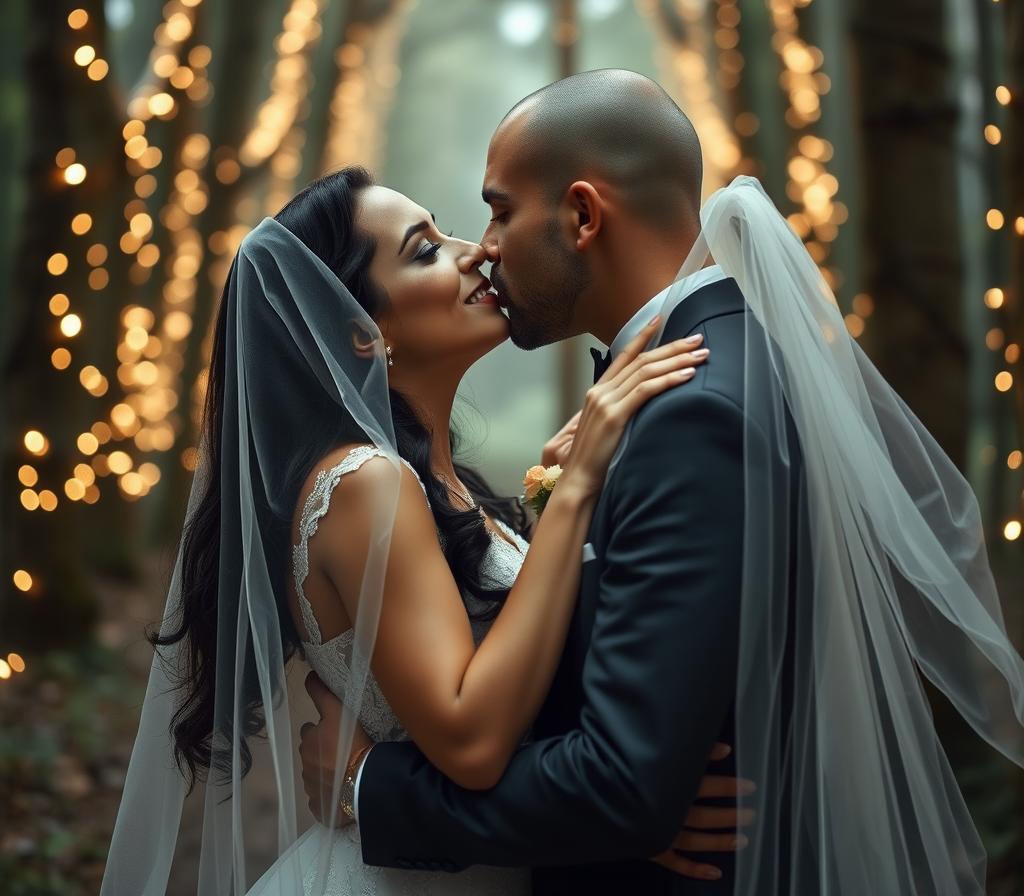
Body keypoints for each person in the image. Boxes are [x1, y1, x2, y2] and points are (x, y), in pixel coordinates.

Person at [300, 70, 1024, 896]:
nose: (485, 246)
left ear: (581, 215)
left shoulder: (693, 415)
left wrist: (369, 788)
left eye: (500, 210)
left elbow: (623, 787)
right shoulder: (692, 383)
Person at [101, 161, 747, 896]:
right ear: (364, 335)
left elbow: (529, 670)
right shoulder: (363, 485)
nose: (475, 251)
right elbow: (470, 740)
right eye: (424, 249)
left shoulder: (434, 486)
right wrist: (577, 495)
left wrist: (626, 813)